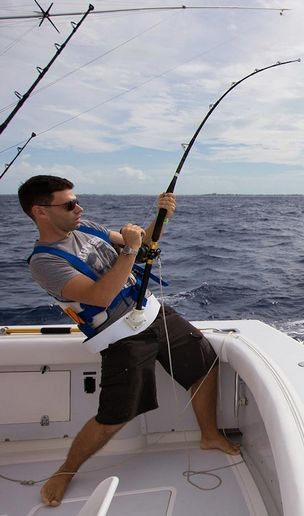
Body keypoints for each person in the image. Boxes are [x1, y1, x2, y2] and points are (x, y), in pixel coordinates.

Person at [17, 175, 239, 507]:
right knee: (115, 416)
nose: (79, 208)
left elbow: (144, 244)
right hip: (120, 335)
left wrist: (160, 216)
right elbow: (100, 295)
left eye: (77, 200)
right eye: (69, 204)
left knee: (204, 361)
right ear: (41, 212)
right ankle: (65, 471)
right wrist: (132, 247)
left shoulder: (87, 227)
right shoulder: (45, 262)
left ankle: (209, 435)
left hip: (151, 311)